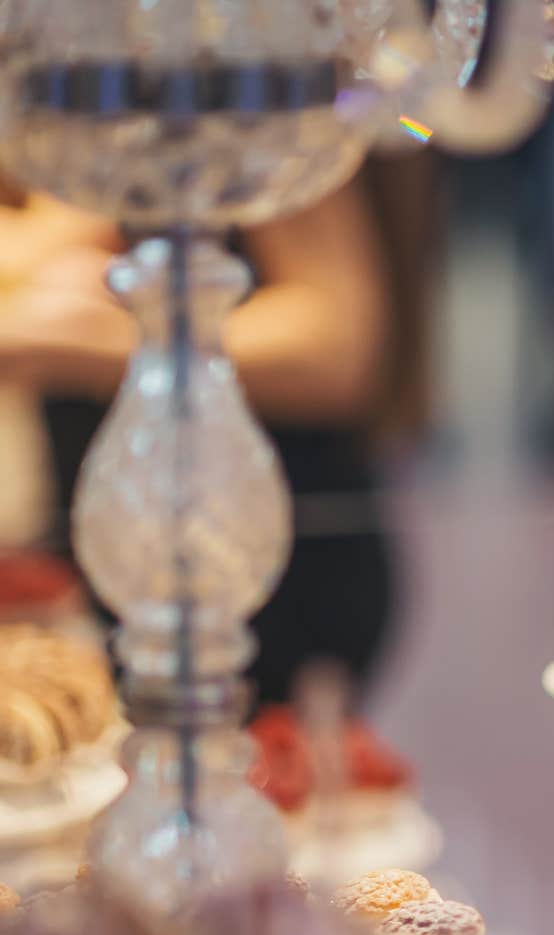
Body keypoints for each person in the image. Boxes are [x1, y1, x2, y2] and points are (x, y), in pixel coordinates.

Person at [0, 159, 434, 709]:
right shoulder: (102, 125)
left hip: (269, 554)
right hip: (130, 554)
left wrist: (97, 344)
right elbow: (55, 230)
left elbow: (336, 351)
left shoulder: (248, 104)